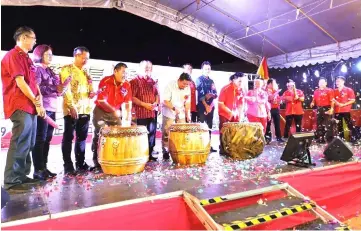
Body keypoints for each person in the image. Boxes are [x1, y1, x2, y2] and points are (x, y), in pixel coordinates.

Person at [1, 26, 46, 191]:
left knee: (29, 142)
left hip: (31, 105)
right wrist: (35, 102)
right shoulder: (13, 55)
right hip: (20, 104)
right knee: (20, 141)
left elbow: (33, 83)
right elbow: (20, 82)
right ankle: (12, 181)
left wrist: (39, 98)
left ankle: (22, 176)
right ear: (24, 37)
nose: (35, 41)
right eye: (33, 38)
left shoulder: (26, 58)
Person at [31, 45, 67, 180]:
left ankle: (44, 168)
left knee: (47, 139)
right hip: (42, 109)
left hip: (52, 109)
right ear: (40, 54)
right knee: (40, 139)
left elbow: (58, 91)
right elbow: (37, 88)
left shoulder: (51, 71)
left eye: (51, 54)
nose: (50, 57)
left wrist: (63, 87)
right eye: (47, 54)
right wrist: (54, 87)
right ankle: (38, 169)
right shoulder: (37, 69)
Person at [60, 46, 95, 176]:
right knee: (68, 138)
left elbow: (89, 90)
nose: (85, 60)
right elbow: (65, 89)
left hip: (85, 109)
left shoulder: (86, 72)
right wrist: (70, 106)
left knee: (82, 138)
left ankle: (80, 163)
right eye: (83, 57)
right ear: (76, 56)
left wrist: (92, 93)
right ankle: (68, 165)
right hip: (72, 110)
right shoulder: (66, 69)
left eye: (87, 58)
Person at [91, 63, 132, 171]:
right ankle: (97, 161)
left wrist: (127, 115)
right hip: (101, 112)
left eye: (126, 73)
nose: (125, 75)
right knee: (101, 134)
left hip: (115, 114)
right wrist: (114, 110)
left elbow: (128, 102)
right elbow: (101, 100)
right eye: (123, 72)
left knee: (118, 134)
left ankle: (114, 159)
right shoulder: (106, 81)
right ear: (115, 71)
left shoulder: (127, 85)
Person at [130, 60, 160, 161]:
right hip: (140, 113)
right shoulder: (134, 81)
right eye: (146, 67)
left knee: (152, 134)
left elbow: (157, 94)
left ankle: (150, 153)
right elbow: (132, 97)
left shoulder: (152, 80)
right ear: (140, 68)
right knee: (141, 135)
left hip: (152, 112)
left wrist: (156, 103)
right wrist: (144, 105)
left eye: (150, 67)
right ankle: (141, 155)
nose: (148, 69)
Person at [161, 73, 192, 160]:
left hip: (180, 112)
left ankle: (180, 148)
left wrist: (187, 114)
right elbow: (165, 100)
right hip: (169, 111)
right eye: (184, 84)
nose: (185, 86)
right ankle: (165, 151)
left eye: (187, 84)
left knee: (182, 131)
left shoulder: (187, 88)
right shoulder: (170, 85)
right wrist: (174, 109)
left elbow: (187, 102)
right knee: (167, 132)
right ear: (179, 80)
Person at [218, 72, 245, 154]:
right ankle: (223, 149)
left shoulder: (241, 89)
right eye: (239, 81)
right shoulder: (225, 88)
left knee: (234, 132)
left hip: (235, 114)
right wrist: (230, 112)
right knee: (224, 132)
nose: (241, 83)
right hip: (225, 114)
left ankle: (232, 149)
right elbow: (220, 104)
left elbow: (241, 103)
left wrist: (240, 114)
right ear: (234, 80)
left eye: (242, 81)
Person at [196, 61, 218, 152]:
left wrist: (210, 103)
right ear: (202, 69)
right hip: (202, 106)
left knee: (209, 126)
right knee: (201, 126)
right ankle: (201, 145)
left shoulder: (211, 81)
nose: (207, 70)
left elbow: (215, 94)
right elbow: (201, 96)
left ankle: (208, 145)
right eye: (205, 69)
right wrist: (206, 105)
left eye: (208, 69)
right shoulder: (199, 79)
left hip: (211, 106)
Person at [333, 76, 357, 144]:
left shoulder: (348, 90)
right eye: (336, 81)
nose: (337, 82)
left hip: (346, 111)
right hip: (337, 111)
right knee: (339, 126)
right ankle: (341, 140)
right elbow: (332, 100)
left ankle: (354, 139)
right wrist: (334, 102)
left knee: (350, 125)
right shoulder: (334, 91)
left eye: (339, 81)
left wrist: (344, 104)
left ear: (343, 81)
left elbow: (353, 100)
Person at [310, 77, 334, 143]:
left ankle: (329, 139)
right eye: (320, 82)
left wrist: (331, 109)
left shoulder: (329, 90)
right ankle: (321, 138)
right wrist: (312, 102)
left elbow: (332, 100)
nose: (321, 84)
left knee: (327, 124)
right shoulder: (316, 91)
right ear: (318, 83)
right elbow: (314, 99)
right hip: (319, 108)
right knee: (319, 124)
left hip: (327, 108)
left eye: (323, 82)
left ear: (326, 83)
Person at [265, 78, 284, 143]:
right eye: (273, 83)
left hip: (276, 109)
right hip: (269, 109)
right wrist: (275, 93)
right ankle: (268, 138)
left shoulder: (274, 90)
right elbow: (269, 98)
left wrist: (280, 100)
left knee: (277, 124)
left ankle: (279, 138)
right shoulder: (266, 90)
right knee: (268, 124)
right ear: (269, 84)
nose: (274, 84)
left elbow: (278, 99)